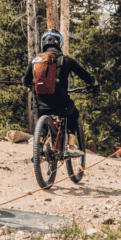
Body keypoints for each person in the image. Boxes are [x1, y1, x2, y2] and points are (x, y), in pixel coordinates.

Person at [22, 29, 99, 157]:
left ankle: (40, 143)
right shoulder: (66, 60)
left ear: (44, 44)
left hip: (40, 104)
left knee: (43, 113)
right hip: (60, 103)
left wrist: (31, 85)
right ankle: (71, 146)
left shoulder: (35, 61)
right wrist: (93, 84)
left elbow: (25, 81)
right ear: (60, 44)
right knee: (73, 112)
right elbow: (85, 76)